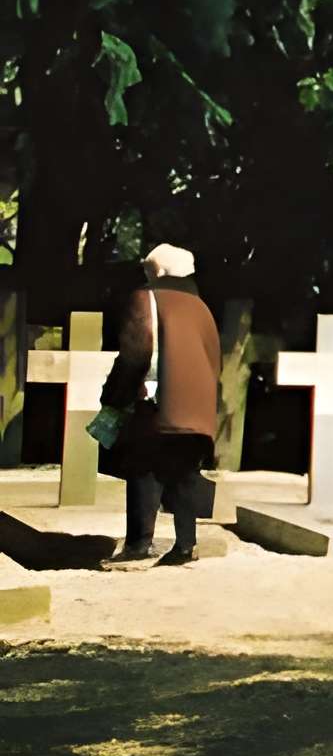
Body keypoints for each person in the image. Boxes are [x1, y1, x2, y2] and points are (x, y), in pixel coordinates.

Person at [97, 244, 225, 569]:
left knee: (141, 467)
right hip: (197, 404)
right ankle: (185, 545)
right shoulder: (201, 307)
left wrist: (115, 394)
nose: (146, 275)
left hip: (156, 402)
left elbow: (137, 353)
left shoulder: (146, 298)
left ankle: (139, 545)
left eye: (149, 269)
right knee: (184, 472)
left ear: (160, 272)